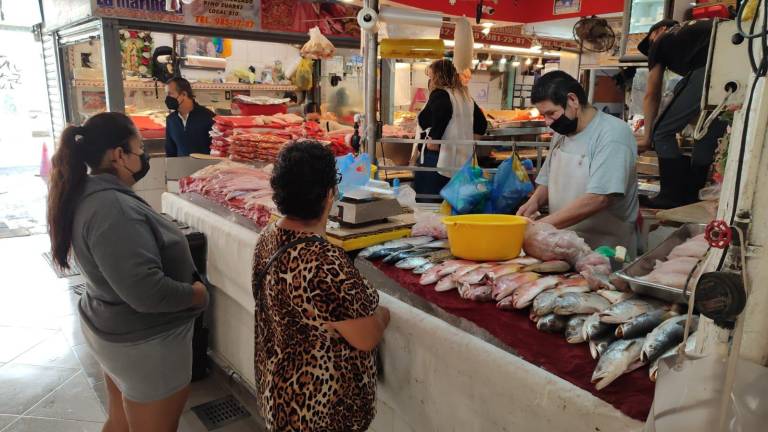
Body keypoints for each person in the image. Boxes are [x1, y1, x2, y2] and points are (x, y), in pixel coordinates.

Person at [46, 112, 209, 432]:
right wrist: (196, 295)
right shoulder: (113, 209)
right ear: (119, 155)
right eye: (139, 149)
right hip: (147, 344)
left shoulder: (94, 194)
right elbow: (146, 292)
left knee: (120, 421)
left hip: (119, 330)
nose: (144, 156)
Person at [252, 141, 390, 431]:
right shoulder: (325, 262)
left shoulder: (266, 238)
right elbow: (365, 337)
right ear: (329, 194)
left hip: (279, 396)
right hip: (320, 413)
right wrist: (382, 316)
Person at [517, 71, 639, 252]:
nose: (548, 122)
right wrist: (534, 202)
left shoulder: (612, 134)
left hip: (605, 248)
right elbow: (548, 179)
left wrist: (539, 227)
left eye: (551, 113)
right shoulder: (562, 131)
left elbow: (599, 198)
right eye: (544, 115)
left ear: (572, 100)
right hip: (565, 243)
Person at [637, 18, 727, 209]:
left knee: (661, 133)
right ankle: (691, 197)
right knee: (706, 137)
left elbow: (652, 93)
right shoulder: (693, 33)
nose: (650, 47)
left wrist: (647, 138)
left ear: (660, 29)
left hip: (709, 68)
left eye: (649, 42)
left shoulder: (662, 39)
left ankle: (670, 196)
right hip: (733, 73)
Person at [412, 59, 488, 202]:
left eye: (431, 75)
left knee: (429, 203)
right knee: (453, 203)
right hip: (462, 161)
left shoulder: (440, 94)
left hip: (438, 160)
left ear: (437, 76)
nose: (430, 79)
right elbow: (482, 125)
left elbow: (439, 114)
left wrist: (434, 138)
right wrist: (466, 143)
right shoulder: (466, 97)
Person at [165, 77, 216, 157]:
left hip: (206, 167)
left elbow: (217, 148)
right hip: (181, 167)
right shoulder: (171, 120)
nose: (167, 98)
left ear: (184, 94)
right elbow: (170, 150)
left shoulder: (208, 116)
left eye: (170, 94)